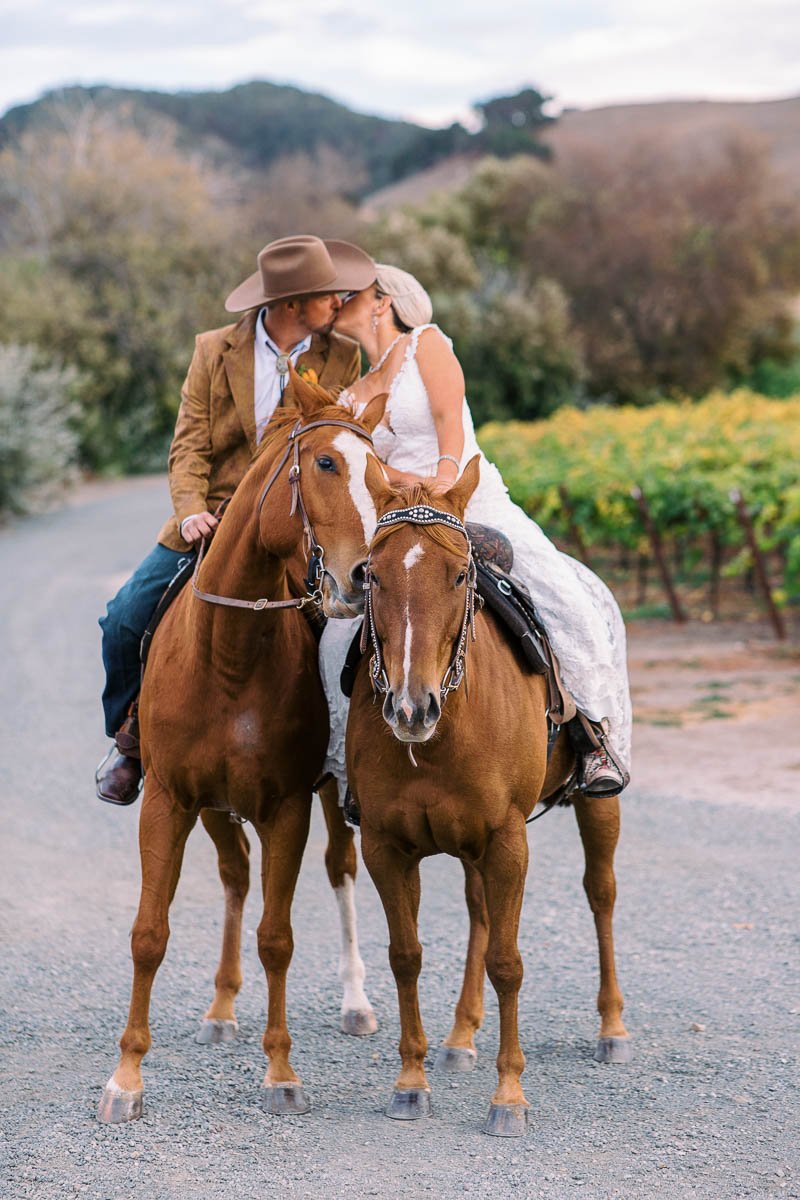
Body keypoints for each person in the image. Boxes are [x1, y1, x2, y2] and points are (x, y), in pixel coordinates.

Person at [320, 264, 632, 797]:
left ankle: (593, 740)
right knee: (335, 637)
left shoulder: (428, 345)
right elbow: (357, 471)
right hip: (398, 520)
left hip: (469, 498)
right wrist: (391, 490)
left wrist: (439, 486)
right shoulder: (353, 394)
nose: (334, 304)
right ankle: (350, 767)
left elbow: (450, 432)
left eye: (347, 295)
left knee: (564, 600)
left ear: (382, 301)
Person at [96, 234, 376, 806]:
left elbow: (337, 451)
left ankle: (351, 758)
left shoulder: (342, 357)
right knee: (123, 619)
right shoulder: (212, 350)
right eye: (329, 295)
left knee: (350, 628)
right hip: (212, 519)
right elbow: (189, 445)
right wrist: (191, 509)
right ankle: (131, 742)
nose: (339, 303)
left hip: (297, 527)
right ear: (295, 303)